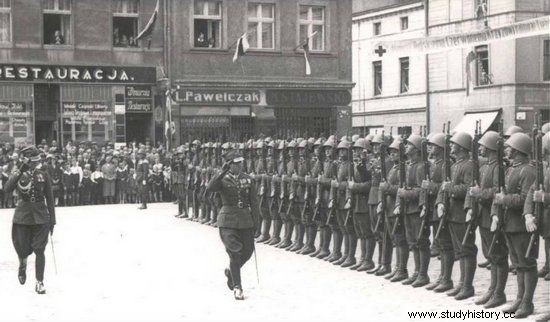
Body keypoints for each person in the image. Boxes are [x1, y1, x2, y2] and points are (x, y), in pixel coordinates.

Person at [206, 150, 260, 300]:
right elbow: (210, 188)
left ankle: (231, 272)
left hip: (245, 220)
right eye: (236, 163)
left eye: (241, 162)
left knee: (248, 251)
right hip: (228, 220)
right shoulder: (221, 179)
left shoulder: (248, 179)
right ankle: (238, 286)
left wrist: (256, 223)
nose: (240, 165)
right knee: (235, 253)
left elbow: (254, 203)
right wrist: (221, 171)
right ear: (230, 165)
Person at [4, 145, 56, 294]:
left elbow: (50, 199)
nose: (35, 163)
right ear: (25, 160)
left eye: (36, 161)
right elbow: (7, 188)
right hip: (23, 216)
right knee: (22, 249)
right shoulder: (18, 173)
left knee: (40, 249)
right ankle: (22, 264)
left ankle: (39, 282)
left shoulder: (43, 174)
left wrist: (52, 220)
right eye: (32, 161)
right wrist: (21, 168)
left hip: (41, 216)